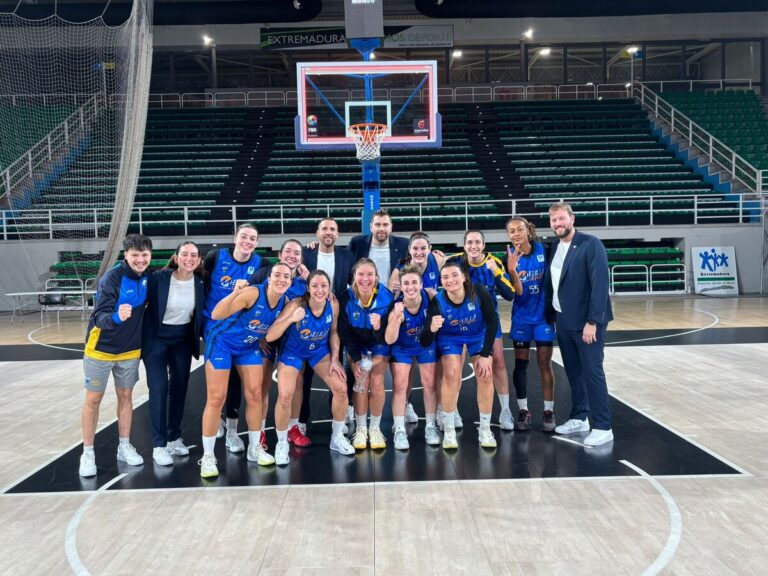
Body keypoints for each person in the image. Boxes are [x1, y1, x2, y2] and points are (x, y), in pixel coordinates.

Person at [199, 263, 292, 478]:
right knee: (216, 398)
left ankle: (254, 448)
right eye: (277, 274)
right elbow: (216, 313)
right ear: (268, 278)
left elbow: (269, 330)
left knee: (255, 395)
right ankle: (208, 457)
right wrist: (234, 293)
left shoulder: (284, 302)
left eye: (286, 276)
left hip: (248, 346)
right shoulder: (252, 293)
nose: (281, 279)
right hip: (222, 343)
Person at [79, 234, 153, 478]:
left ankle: (124, 445)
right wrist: (116, 317)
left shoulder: (147, 278)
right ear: (126, 255)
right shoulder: (112, 278)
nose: (140, 260)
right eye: (135, 255)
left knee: (126, 396)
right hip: (101, 349)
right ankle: (87, 452)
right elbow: (98, 316)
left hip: (129, 350)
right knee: (93, 399)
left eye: (144, 255)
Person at [265, 270, 355, 464]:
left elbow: (333, 332)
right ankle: (282, 442)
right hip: (292, 353)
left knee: (341, 389)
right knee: (285, 394)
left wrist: (335, 358)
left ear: (329, 287)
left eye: (324, 285)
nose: (320, 290)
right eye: (315, 285)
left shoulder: (333, 303)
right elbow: (270, 335)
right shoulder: (296, 304)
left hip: (319, 352)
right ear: (308, 288)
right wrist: (290, 319)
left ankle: (337, 438)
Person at [546, 202, 614, 446]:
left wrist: (593, 321)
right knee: (574, 373)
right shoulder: (554, 246)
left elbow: (600, 285)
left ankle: (603, 426)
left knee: (592, 373)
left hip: (587, 323)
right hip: (564, 321)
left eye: (561, 218)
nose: (558, 224)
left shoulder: (590, 243)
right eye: (554, 220)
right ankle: (580, 417)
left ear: (572, 219)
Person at [421, 261, 499, 451]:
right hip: (451, 337)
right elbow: (424, 340)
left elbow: (493, 322)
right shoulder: (438, 302)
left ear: (464, 277)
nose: (450, 280)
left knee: (486, 374)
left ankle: (485, 428)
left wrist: (487, 353)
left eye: (455, 275)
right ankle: (448, 428)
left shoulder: (479, 292)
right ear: (441, 281)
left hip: (477, 335)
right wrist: (431, 328)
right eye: (445, 277)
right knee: (452, 373)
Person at [142, 241, 205, 466]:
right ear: (176, 257)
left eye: (194, 255)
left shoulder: (201, 282)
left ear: (198, 260)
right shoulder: (158, 278)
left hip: (183, 340)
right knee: (158, 389)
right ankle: (158, 446)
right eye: (185, 254)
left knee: (179, 389)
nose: (189, 258)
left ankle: (173, 437)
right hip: (157, 339)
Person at [202, 222, 263, 455]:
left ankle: (232, 431)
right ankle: (215, 425)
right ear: (235, 238)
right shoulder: (215, 258)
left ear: (257, 243)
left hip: (244, 333)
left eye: (252, 239)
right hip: (217, 330)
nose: (247, 241)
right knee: (217, 391)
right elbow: (200, 283)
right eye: (244, 236)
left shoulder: (260, 264)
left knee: (241, 385)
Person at [452, 230, 521, 431]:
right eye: (469, 242)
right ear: (464, 245)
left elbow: (510, 295)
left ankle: (505, 410)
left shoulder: (493, 263)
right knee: (456, 364)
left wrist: (498, 273)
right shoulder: (455, 262)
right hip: (461, 319)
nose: (473, 246)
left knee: (498, 362)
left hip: (488, 321)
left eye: (477, 242)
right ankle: (452, 409)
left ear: (483, 245)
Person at [248, 239, 310, 448]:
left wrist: (310, 278)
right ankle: (262, 430)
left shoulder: (304, 283)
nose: (292, 256)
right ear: (280, 255)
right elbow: (250, 308)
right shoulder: (264, 276)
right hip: (265, 338)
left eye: (297, 253)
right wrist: (258, 336)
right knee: (263, 385)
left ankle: (293, 427)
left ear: (301, 258)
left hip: (291, 341)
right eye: (288, 251)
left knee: (296, 384)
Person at [300, 218, 354, 433]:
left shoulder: (347, 256)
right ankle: (302, 420)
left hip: (334, 317)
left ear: (338, 234)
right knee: (304, 376)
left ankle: (337, 420)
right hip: (307, 318)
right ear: (317, 233)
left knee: (336, 367)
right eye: (324, 229)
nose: (328, 232)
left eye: (332, 229)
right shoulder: (307, 254)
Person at [387, 231, 446, 424]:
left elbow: (448, 285)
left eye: (423, 248)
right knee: (406, 373)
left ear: (429, 249)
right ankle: (407, 405)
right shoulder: (400, 269)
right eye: (415, 248)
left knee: (436, 373)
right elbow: (392, 296)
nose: (419, 251)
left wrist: (435, 294)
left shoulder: (438, 261)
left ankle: (442, 410)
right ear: (409, 250)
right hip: (407, 324)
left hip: (430, 321)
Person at [505, 217, 557, 433]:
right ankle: (523, 410)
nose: (516, 234)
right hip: (521, 319)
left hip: (543, 317)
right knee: (520, 366)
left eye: (519, 229)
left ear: (529, 230)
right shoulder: (507, 258)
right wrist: (513, 270)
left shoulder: (545, 251)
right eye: (511, 231)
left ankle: (548, 410)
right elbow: (515, 293)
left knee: (545, 363)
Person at [338, 257, 393, 450]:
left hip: (379, 343)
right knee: (361, 382)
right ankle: (361, 429)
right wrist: (357, 358)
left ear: (376, 276)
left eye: (370, 274)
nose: (365, 279)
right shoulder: (345, 298)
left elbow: (388, 333)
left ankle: (375, 429)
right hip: (357, 345)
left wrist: (377, 357)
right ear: (354, 276)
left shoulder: (387, 297)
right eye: (361, 274)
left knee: (377, 382)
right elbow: (344, 332)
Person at [383, 266, 439, 449]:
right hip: (402, 347)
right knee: (400, 385)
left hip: (424, 344)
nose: (410, 287)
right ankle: (399, 428)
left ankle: (430, 425)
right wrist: (395, 319)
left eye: (414, 282)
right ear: (401, 286)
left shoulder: (430, 297)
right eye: (406, 283)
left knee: (429, 383)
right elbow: (389, 339)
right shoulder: (396, 306)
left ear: (421, 284)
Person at [348, 208, 409, 281]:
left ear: (391, 227)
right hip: (363, 291)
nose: (381, 228)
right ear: (371, 227)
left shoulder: (403, 244)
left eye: (385, 225)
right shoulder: (357, 243)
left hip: (392, 292)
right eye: (377, 225)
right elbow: (346, 270)